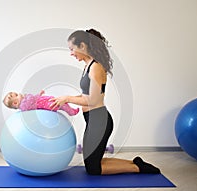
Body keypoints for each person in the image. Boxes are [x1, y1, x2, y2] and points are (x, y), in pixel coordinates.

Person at [50, 29, 160, 175]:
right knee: (93, 161)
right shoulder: (88, 65)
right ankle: (135, 162)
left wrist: (67, 98)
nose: (71, 53)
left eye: (72, 49)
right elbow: (86, 94)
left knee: (93, 168)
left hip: (99, 121)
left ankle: (137, 168)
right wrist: (65, 101)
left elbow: (93, 99)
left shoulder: (95, 67)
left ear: (82, 46)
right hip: (94, 120)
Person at [3, 90, 79, 116]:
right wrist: (26, 95)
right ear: (15, 103)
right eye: (16, 95)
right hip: (46, 106)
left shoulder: (24, 101)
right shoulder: (23, 106)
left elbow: (34, 98)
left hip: (44, 101)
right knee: (62, 104)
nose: (19, 94)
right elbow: (31, 100)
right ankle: (72, 112)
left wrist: (40, 93)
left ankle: (71, 110)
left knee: (61, 101)